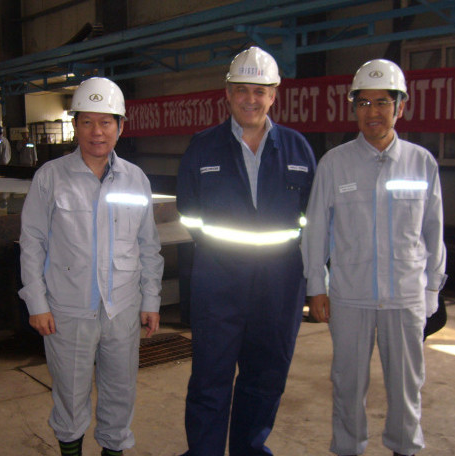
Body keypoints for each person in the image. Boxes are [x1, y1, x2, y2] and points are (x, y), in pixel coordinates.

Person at [300, 59, 447, 456]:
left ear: (401, 106)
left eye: (383, 101)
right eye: (363, 103)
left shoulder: (421, 163)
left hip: (405, 295)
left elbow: (433, 230)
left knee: (407, 384)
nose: (373, 111)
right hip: (350, 295)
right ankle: (349, 448)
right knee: (347, 383)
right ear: (354, 108)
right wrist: (316, 287)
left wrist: (432, 287)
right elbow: (316, 230)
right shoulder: (335, 164)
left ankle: (405, 448)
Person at [176, 46, 316, 456]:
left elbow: (313, 217)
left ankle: (249, 450)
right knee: (210, 380)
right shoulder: (203, 148)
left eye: (259, 91)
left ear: (273, 95)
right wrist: (221, 256)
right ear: (228, 93)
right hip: (218, 285)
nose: (250, 99)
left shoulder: (298, 149)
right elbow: (189, 213)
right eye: (241, 90)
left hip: (279, 288)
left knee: (265, 379)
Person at [18, 77, 164, 456]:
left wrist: (151, 300)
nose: (97, 132)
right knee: (70, 395)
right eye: (87, 122)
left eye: (106, 122)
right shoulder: (51, 177)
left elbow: (148, 245)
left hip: (122, 309)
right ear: (75, 125)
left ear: (120, 126)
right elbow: (32, 243)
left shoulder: (135, 179)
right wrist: (37, 303)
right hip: (68, 312)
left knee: (120, 392)